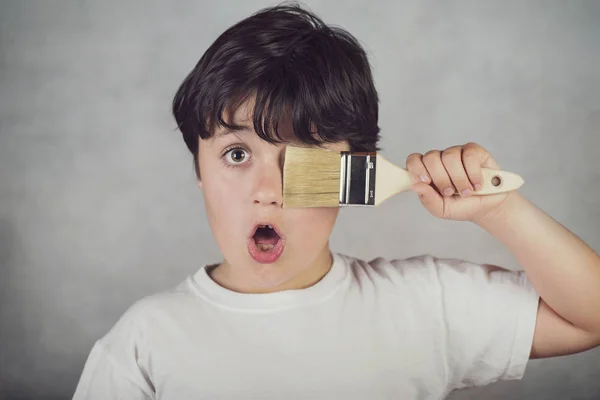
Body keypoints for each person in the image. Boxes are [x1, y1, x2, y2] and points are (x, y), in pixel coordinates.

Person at [73, 4, 600, 399]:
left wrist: (497, 209)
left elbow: (590, 319)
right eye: (236, 154)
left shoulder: (423, 306)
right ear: (199, 171)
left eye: (301, 157)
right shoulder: (143, 342)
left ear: (356, 173)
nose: (268, 189)